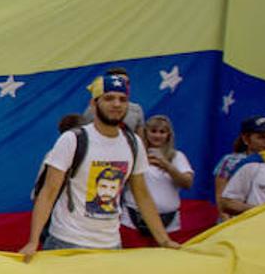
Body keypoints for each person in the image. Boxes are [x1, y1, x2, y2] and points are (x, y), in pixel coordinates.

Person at [21, 72, 177, 259]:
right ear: (94, 104)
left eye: (122, 99)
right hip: (66, 241)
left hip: (111, 245)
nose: (117, 104)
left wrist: (164, 240)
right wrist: (33, 241)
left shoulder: (134, 143)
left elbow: (142, 194)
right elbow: (48, 192)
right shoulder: (73, 139)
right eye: (109, 98)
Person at [119, 114, 193, 239]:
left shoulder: (177, 156)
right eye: (153, 131)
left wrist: (167, 166)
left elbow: (187, 183)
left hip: (169, 224)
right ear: (146, 132)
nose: (157, 135)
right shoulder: (134, 154)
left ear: (168, 135)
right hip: (132, 221)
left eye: (162, 132)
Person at [213, 116, 265, 214]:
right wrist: (226, 220)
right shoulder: (230, 161)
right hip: (235, 219)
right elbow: (221, 196)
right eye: (261, 137)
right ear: (246, 138)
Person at [81, 66, 145, 133]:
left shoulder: (137, 109)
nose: (123, 85)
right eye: (119, 81)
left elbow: (140, 138)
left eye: (127, 83)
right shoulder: (93, 109)